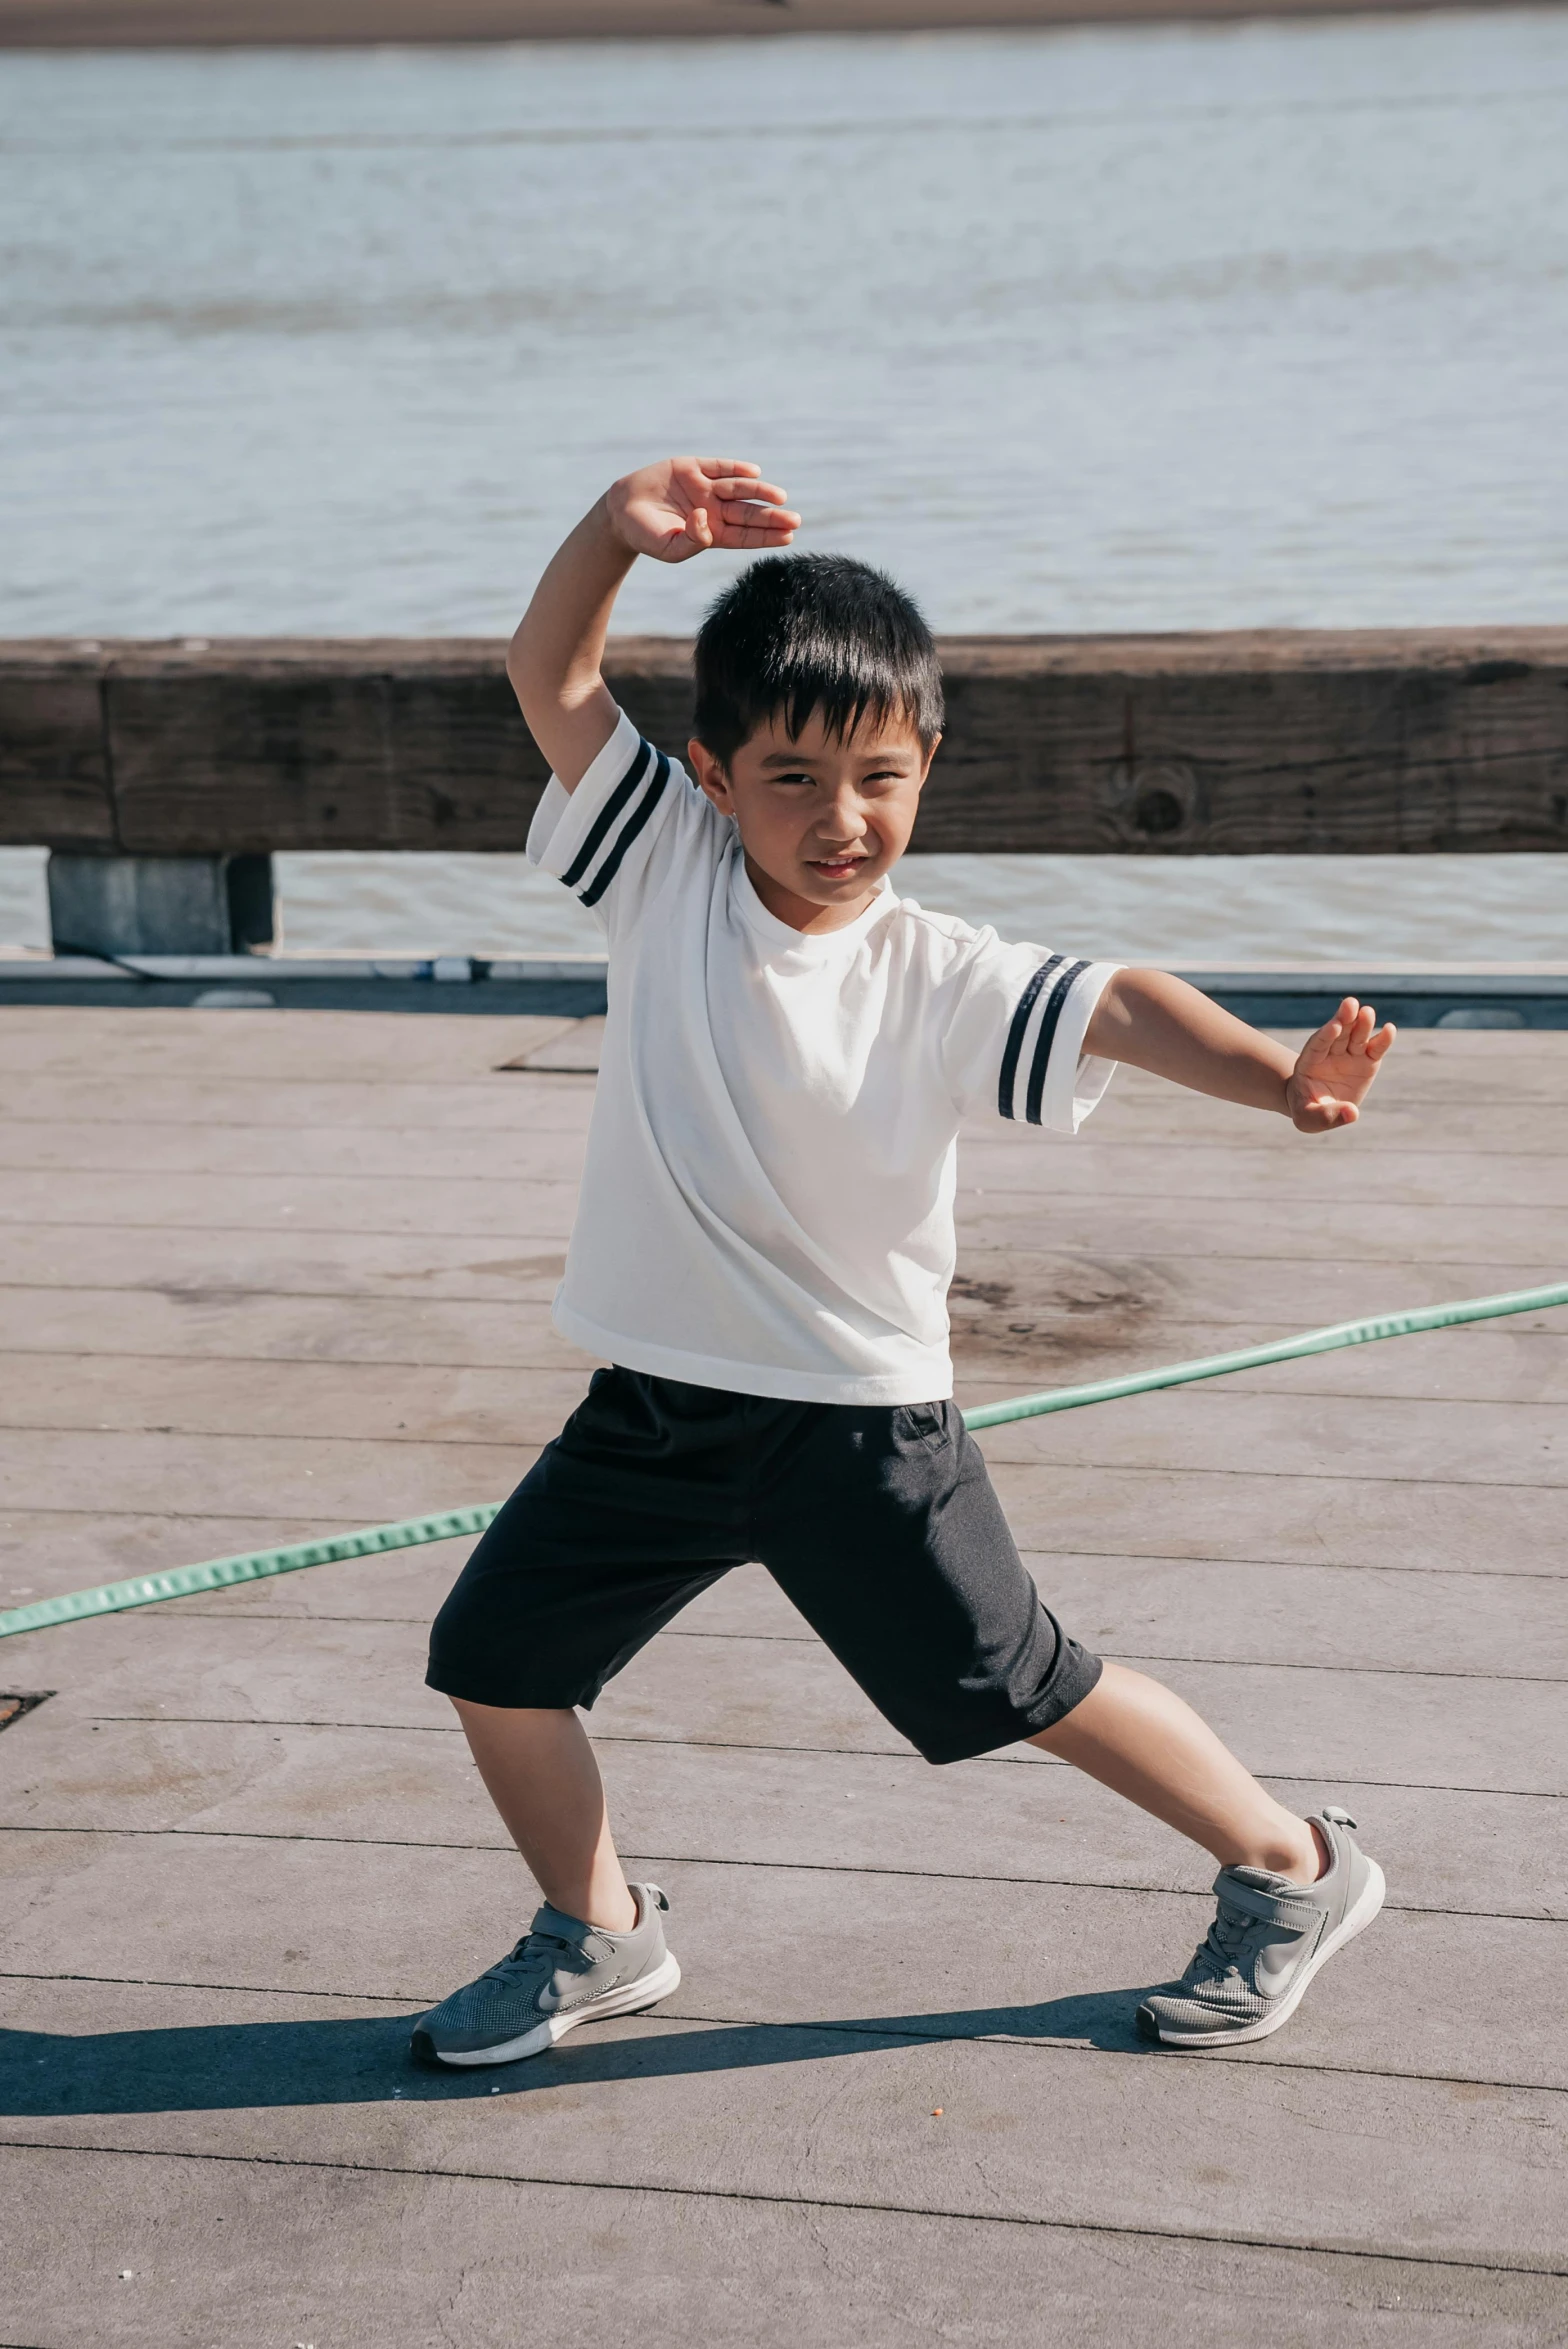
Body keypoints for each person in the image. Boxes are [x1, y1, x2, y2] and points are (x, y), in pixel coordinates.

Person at [415, 455, 1395, 2069]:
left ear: (927, 765)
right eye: (794, 778)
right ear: (713, 775)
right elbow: (553, 674)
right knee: (496, 1663)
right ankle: (597, 1935)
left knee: (1025, 1682)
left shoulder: (944, 973)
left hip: (856, 1429)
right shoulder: (658, 862)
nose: (841, 819)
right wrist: (611, 533)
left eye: (879, 776)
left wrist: (1280, 1078)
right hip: (655, 1412)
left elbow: (1124, 1003)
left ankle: (1294, 1865)